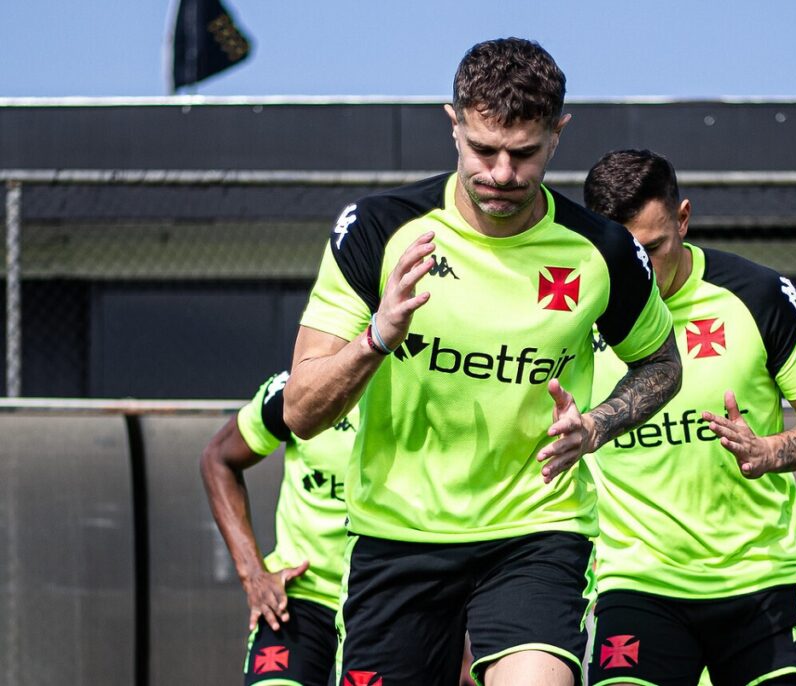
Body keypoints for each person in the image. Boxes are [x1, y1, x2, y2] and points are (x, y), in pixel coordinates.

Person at [282, 39, 681, 686]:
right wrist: (376, 339)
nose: (501, 173)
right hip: (399, 532)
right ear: (453, 125)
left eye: (523, 153)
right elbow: (300, 412)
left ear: (558, 135)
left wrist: (599, 425)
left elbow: (662, 364)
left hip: (536, 529)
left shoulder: (601, 252)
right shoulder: (380, 231)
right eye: (482, 149)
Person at [583, 149, 796, 686]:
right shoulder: (571, 307)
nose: (640, 269)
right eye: (624, 253)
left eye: (654, 248)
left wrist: (769, 451)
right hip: (636, 582)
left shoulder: (757, 295)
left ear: (683, 219)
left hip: (760, 580)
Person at [200, 370, 359, 686]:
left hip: (382, 599)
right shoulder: (299, 390)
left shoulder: (422, 388)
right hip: (298, 600)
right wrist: (253, 575)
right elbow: (218, 459)